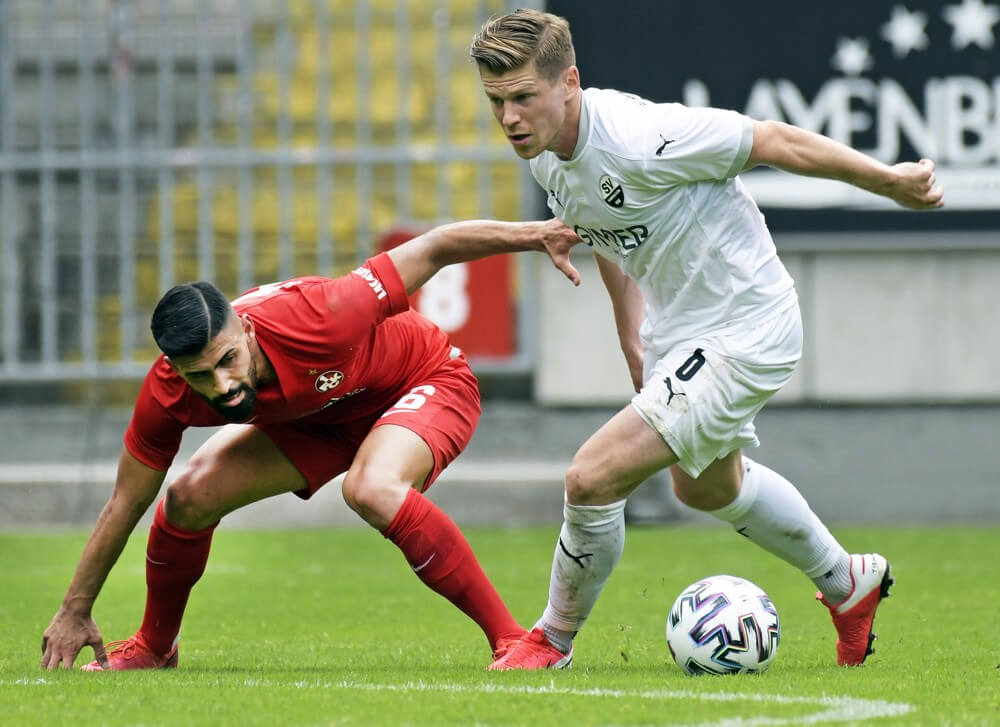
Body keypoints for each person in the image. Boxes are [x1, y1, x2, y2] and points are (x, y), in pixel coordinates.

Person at [470, 9, 944, 671]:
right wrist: (632, 338)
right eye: (497, 102)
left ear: (569, 82)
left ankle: (550, 638)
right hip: (682, 330)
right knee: (706, 489)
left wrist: (889, 182)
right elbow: (603, 229)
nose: (510, 118)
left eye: (523, 97)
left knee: (592, 476)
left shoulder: (642, 136)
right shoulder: (548, 156)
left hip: (746, 323)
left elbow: (774, 139)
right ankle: (847, 582)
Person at [39, 218, 582, 671]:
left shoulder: (325, 314)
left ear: (247, 332)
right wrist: (74, 609)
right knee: (188, 497)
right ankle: (155, 647)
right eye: (199, 376)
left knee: (370, 487)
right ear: (175, 370)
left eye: (228, 361)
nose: (222, 386)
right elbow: (126, 501)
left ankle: (513, 639)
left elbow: (436, 246)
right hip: (320, 419)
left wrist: (537, 235)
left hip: (425, 380)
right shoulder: (165, 395)